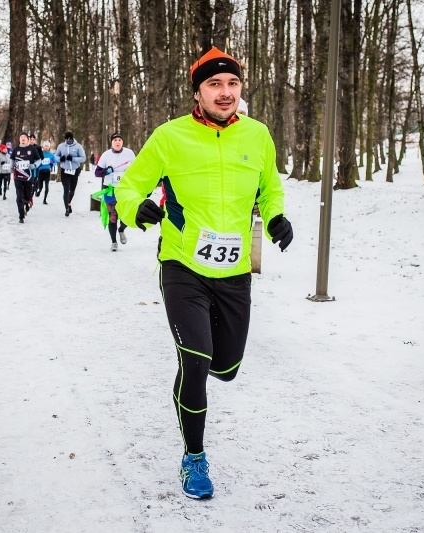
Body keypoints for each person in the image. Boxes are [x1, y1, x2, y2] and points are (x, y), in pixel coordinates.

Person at [115, 46, 293, 500]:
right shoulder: (169, 137)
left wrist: (275, 217)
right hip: (182, 265)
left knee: (226, 367)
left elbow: (269, 186)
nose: (225, 92)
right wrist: (142, 210)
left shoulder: (257, 135)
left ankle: (199, 364)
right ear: (198, 93)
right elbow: (129, 186)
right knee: (195, 359)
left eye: (232, 84)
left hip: (233, 272)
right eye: (214, 84)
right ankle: (194, 457)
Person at [94, 132, 136, 251]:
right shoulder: (106, 155)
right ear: (111, 142)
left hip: (125, 189)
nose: (117, 142)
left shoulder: (130, 154)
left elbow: (137, 169)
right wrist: (106, 172)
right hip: (110, 190)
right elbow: (97, 173)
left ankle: (121, 229)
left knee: (127, 215)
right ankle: (114, 242)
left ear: (122, 142)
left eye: (119, 140)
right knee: (113, 217)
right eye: (115, 140)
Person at [55, 131, 86, 217]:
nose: (68, 141)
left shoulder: (78, 146)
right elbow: (56, 156)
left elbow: (83, 158)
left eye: (70, 139)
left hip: (75, 170)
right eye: (67, 139)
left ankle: (68, 203)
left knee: (72, 190)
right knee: (66, 189)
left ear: (72, 139)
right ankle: (66, 209)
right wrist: (60, 159)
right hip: (64, 170)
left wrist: (73, 158)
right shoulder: (61, 146)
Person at [11, 133, 40, 223]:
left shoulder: (32, 149)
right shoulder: (16, 149)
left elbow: (39, 160)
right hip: (18, 176)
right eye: (21, 137)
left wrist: (34, 165)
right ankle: (21, 215)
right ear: (19, 140)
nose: (23, 139)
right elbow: (12, 160)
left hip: (29, 177)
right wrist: (12, 169)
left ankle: (27, 202)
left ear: (27, 140)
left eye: (24, 137)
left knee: (27, 196)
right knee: (19, 196)